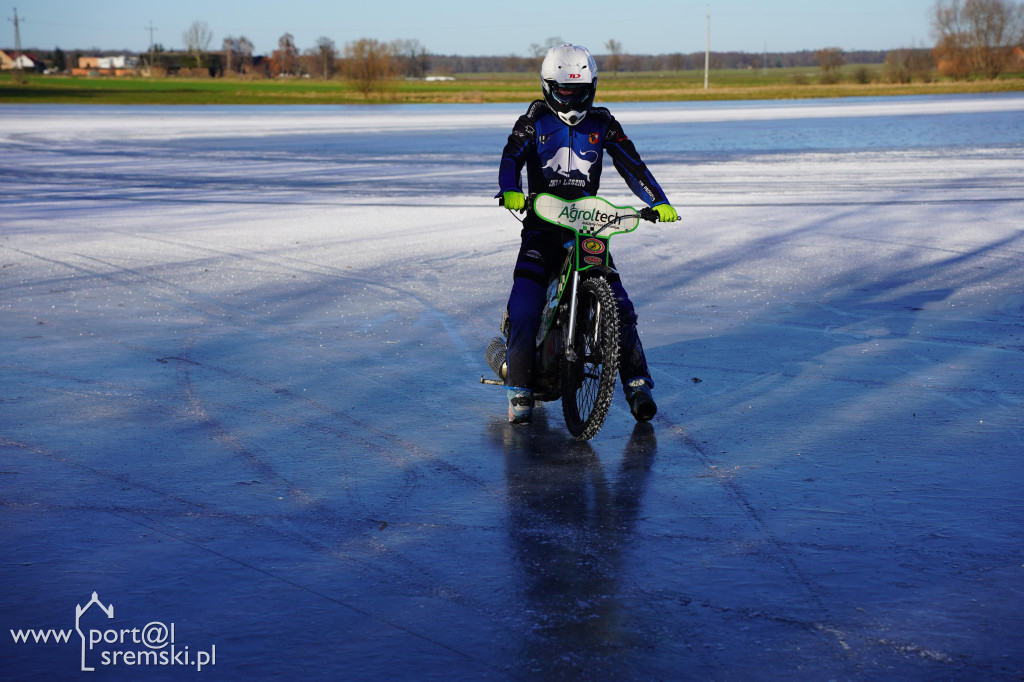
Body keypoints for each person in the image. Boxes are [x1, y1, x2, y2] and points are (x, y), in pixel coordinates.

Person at [498, 43, 679, 425]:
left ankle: (637, 384)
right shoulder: (533, 118)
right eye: (563, 90)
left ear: (591, 87)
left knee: (620, 303)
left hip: (587, 225)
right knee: (525, 303)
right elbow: (511, 157)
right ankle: (519, 387)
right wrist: (510, 189)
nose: (570, 98)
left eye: (578, 91)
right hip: (542, 226)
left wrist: (658, 200)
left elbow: (633, 166)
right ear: (549, 87)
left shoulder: (603, 122)